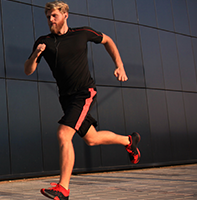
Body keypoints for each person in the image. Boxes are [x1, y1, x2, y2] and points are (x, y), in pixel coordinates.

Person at [24, 1, 141, 199]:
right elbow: (28, 70)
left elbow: (108, 41)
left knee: (63, 134)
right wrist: (36, 54)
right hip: (66, 98)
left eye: (54, 16)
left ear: (65, 15)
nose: (50, 20)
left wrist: (119, 65)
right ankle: (129, 141)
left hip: (84, 93)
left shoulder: (82, 33)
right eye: (48, 17)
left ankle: (63, 188)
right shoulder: (44, 41)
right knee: (91, 139)